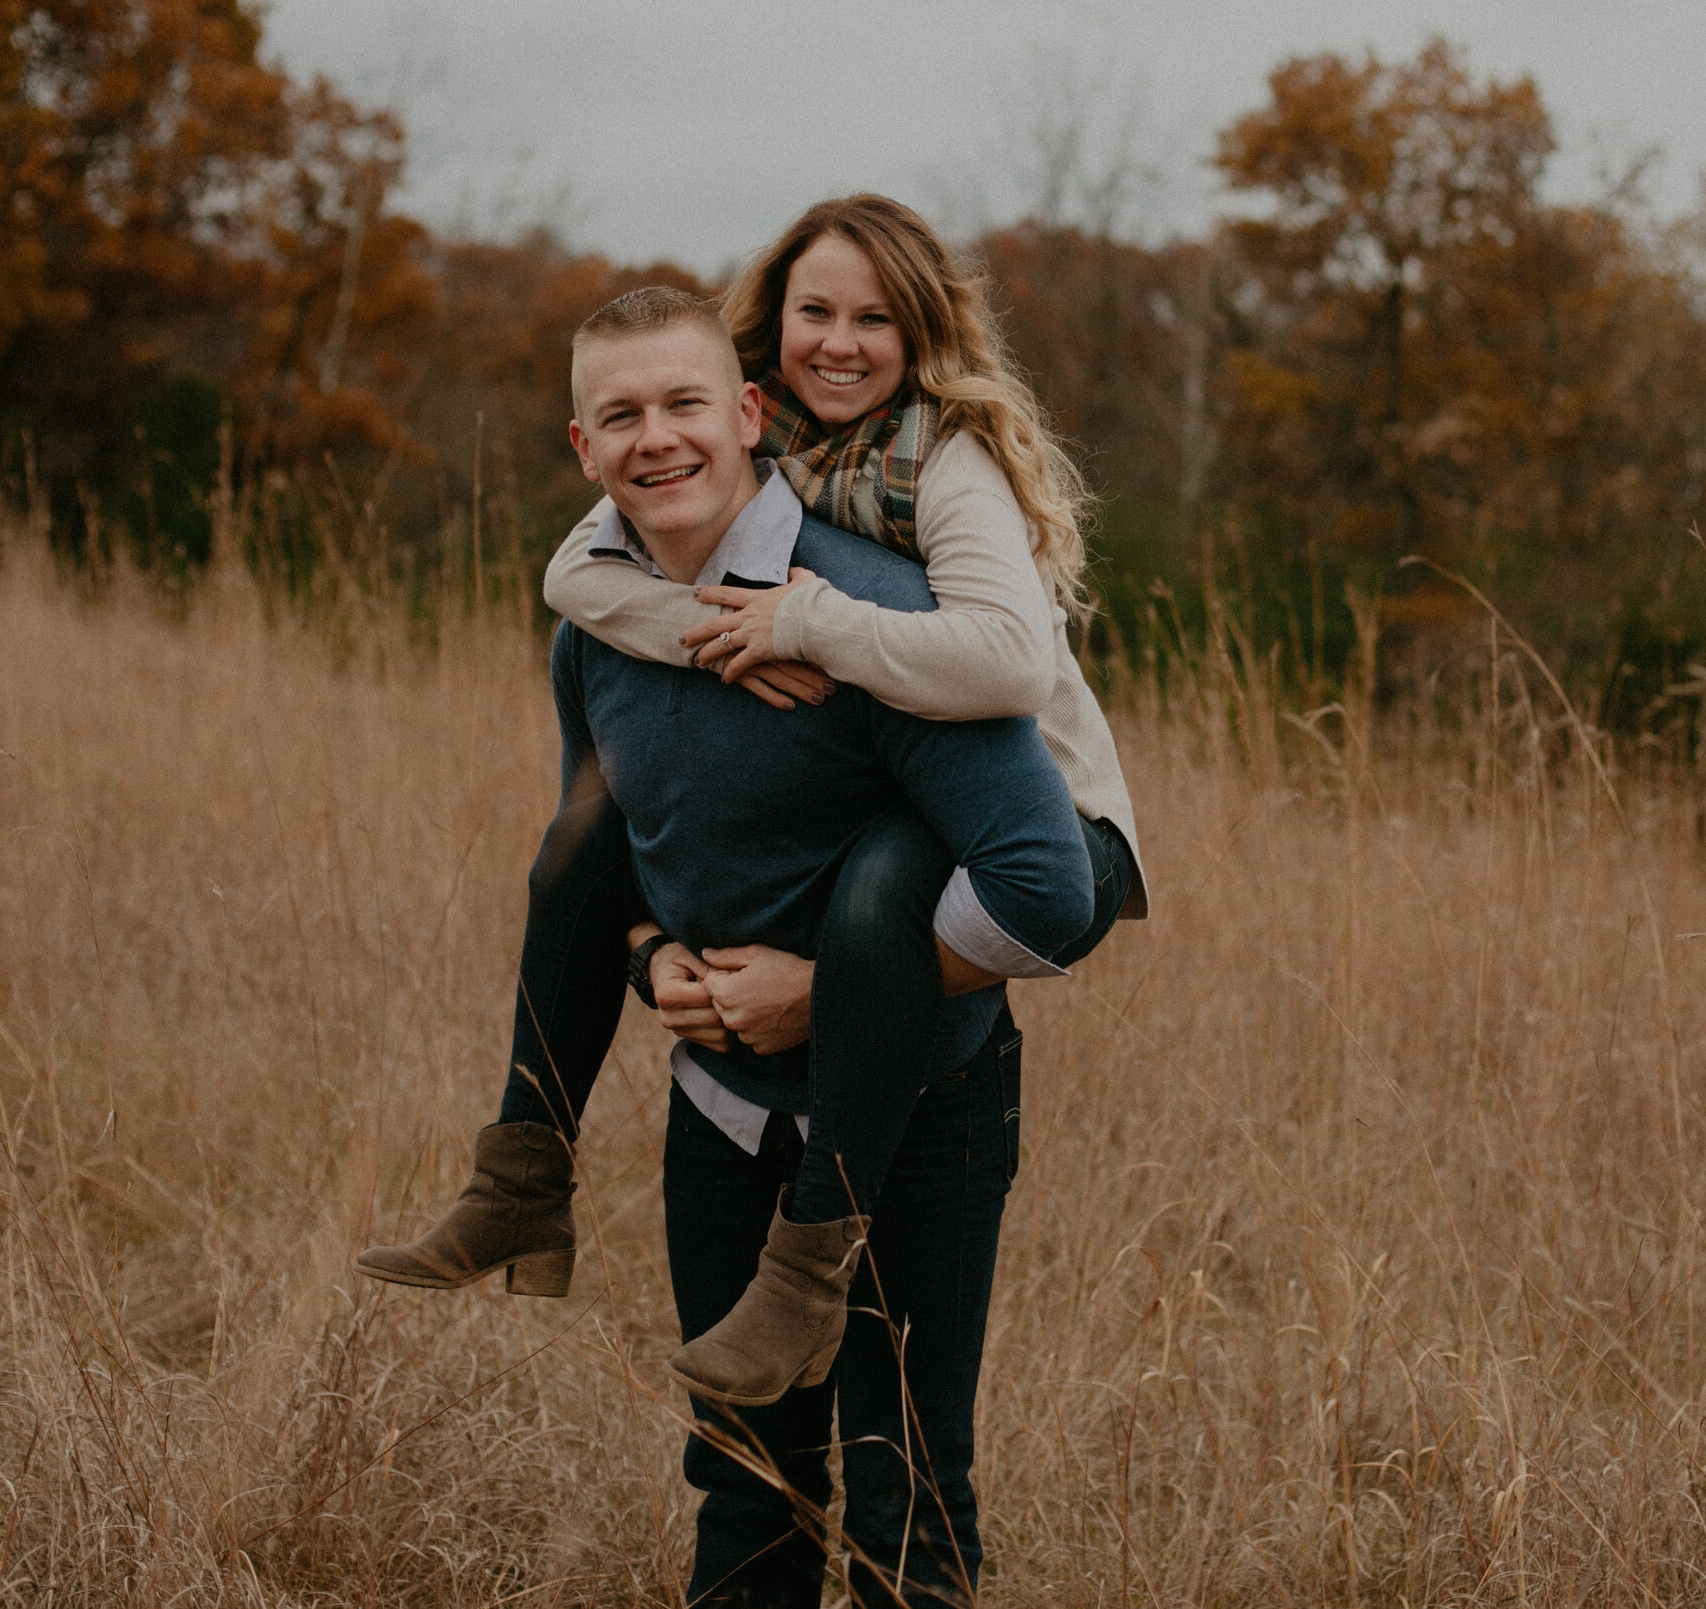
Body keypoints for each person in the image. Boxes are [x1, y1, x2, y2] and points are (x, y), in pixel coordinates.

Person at [356, 195, 1146, 1385]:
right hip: (744, 1064)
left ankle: (811, 1254)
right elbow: (577, 576)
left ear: (918, 332)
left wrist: (811, 624)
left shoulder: (947, 459)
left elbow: (1007, 669)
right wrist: (699, 635)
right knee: (575, 847)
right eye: (812, 311)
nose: (839, 340)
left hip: (1056, 813)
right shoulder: (736, 444)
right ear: (765, 342)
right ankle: (520, 1171)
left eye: (874, 318)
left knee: (884, 879)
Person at [529, 286, 1090, 1603]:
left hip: (925, 1104)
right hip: (721, 1111)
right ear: (584, 444)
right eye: (624, 414)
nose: (657, 438)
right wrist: (647, 955)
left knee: (907, 1492)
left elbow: (1043, 882)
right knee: (743, 1477)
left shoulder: (889, 599)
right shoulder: (600, 620)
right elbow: (610, 851)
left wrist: (832, 994)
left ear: (748, 413)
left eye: (685, 404)